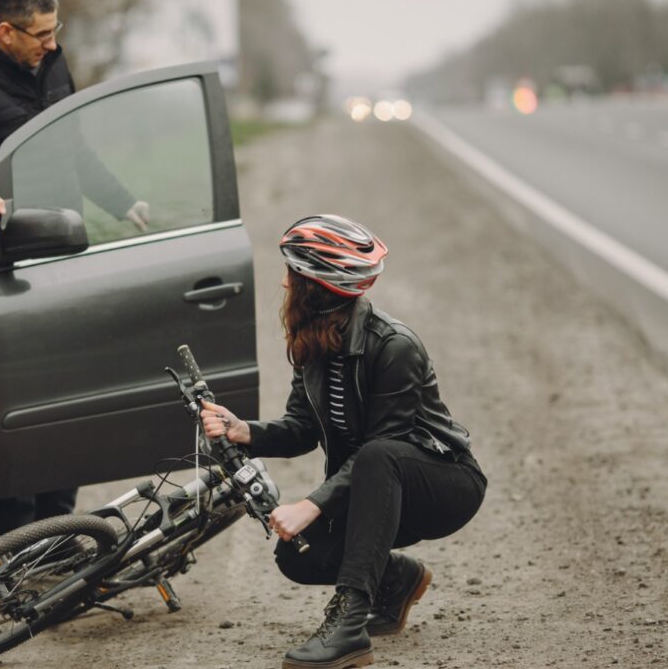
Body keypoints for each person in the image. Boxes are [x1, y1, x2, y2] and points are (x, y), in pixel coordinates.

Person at [201, 215, 487, 669]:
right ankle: (396, 582)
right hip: (377, 483)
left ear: (315, 285)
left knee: (378, 455)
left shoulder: (394, 346)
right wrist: (245, 431)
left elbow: (386, 448)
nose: (284, 282)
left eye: (292, 274)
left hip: (442, 484)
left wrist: (310, 504)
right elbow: (301, 427)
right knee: (297, 558)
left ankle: (349, 627)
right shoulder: (314, 340)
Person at [0, 0, 148, 534]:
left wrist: (122, 203)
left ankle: (59, 528)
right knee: (18, 405)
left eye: (56, 30)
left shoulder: (49, 63)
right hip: (3, 273)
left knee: (65, 395)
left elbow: (74, 148)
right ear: (5, 32)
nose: (53, 43)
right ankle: (17, 535)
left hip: (60, 258)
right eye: (42, 34)